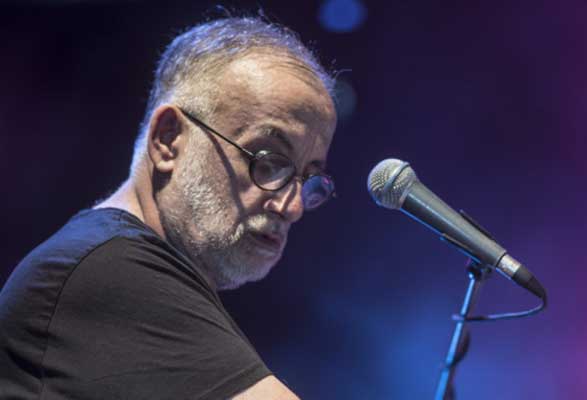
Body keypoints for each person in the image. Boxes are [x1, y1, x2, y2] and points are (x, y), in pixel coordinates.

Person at [0, 16, 337, 400]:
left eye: (308, 178)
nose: (292, 206)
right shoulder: (111, 271)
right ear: (168, 140)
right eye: (267, 161)